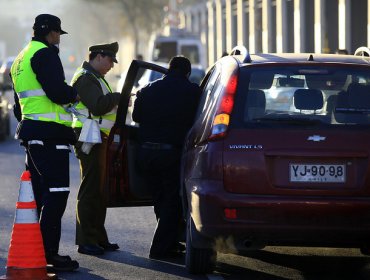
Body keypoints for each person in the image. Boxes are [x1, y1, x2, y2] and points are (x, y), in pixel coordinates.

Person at [11, 14, 79, 271]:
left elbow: (20, 106)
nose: (59, 38)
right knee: (57, 193)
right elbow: (57, 91)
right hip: (50, 136)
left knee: (41, 194)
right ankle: (50, 254)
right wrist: (74, 93)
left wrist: (31, 123)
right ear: (50, 33)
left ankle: (40, 251)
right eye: (58, 34)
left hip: (32, 134)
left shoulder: (21, 58)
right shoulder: (46, 54)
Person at [132, 56, 201, 259]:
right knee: (172, 200)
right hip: (171, 155)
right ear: (187, 73)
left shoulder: (147, 89)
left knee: (160, 198)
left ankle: (169, 243)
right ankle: (160, 248)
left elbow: (135, 117)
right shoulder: (193, 92)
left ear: (168, 70)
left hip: (145, 154)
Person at [70, 42, 121, 255]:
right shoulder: (85, 78)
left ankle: (98, 238)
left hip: (97, 137)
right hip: (87, 138)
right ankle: (86, 240)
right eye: (110, 60)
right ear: (98, 56)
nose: (111, 66)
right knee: (90, 189)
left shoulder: (96, 78)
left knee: (99, 191)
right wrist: (119, 97)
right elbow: (98, 106)